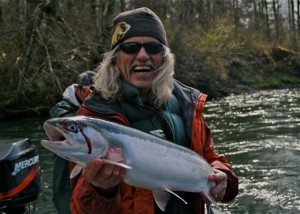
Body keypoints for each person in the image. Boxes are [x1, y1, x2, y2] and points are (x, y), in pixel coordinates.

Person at [70, 7, 238, 214]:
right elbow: (79, 209)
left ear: (164, 58)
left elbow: (211, 158)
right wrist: (100, 189)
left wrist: (223, 179)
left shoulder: (188, 104)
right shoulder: (91, 118)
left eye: (153, 47)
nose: (142, 55)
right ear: (115, 58)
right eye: (130, 47)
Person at [49, 70, 95, 214]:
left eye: (94, 90)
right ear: (77, 89)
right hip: (65, 176)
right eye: (87, 89)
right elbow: (66, 122)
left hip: (88, 169)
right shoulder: (61, 109)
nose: (91, 94)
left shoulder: (97, 107)